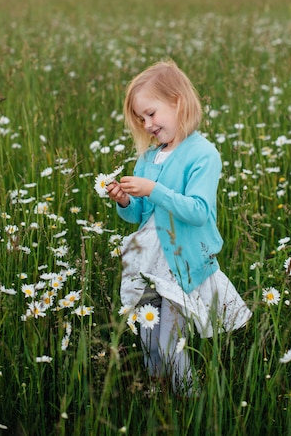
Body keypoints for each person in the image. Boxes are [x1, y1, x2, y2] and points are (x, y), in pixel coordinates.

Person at [107, 60, 252, 394]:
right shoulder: (149, 156)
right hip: (148, 262)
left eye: (151, 114)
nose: (147, 124)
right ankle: (158, 394)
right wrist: (126, 200)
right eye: (141, 119)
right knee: (147, 336)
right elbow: (140, 214)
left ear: (178, 102)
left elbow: (199, 211)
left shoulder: (202, 154)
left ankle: (189, 399)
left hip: (179, 266)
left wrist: (153, 190)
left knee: (172, 343)